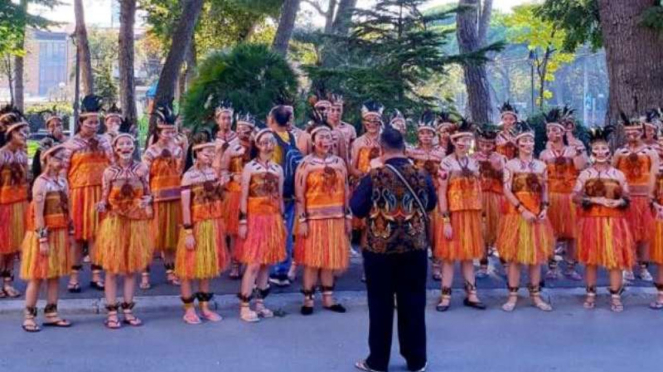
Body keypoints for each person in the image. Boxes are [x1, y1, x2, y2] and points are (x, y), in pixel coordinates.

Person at [351, 125, 435, 372]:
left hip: (380, 249)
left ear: (381, 148)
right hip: (415, 248)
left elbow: (356, 207)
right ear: (404, 147)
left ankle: (377, 361)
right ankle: (416, 360)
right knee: (414, 302)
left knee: (380, 305)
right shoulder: (422, 174)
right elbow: (431, 203)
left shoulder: (374, 175)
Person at [95, 133, 154, 329]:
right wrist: (102, 205)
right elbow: (104, 196)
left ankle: (128, 310)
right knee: (112, 269)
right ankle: (112, 312)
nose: (126, 146)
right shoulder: (109, 172)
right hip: (115, 222)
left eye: (129, 143)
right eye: (121, 144)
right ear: (115, 148)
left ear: (134, 146)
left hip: (136, 223)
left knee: (131, 269)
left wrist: (148, 200)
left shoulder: (142, 169)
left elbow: (148, 192)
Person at [574, 125, 634, 312]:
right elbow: (575, 197)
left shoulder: (618, 174)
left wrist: (618, 203)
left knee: (614, 259)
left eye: (604, 149)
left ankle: (615, 296)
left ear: (609, 151)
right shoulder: (585, 174)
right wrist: (594, 199)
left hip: (614, 222)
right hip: (591, 221)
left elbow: (627, 198)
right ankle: (591, 294)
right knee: (591, 260)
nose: (600, 152)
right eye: (596, 149)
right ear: (592, 152)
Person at [497, 121, 555, 312]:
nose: (528, 144)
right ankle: (513, 295)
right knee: (514, 257)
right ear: (517, 144)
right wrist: (522, 209)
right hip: (516, 215)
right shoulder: (510, 165)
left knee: (535, 257)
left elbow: (545, 189)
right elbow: (506, 189)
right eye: (524, 141)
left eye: (531, 140)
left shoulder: (541, 165)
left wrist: (545, 207)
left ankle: (536, 296)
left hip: (537, 215)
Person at [295, 121, 350, 316]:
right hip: (314, 218)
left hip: (335, 217)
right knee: (312, 260)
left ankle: (328, 298)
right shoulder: (306, 164)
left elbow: (345, 191)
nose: (325, 141)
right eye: (321, 137)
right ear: (313, 140)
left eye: (328, 137)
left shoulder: (339, 163)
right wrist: (302, 220)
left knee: (329, 259)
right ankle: (308, 300)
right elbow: (300, 195)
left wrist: (347, 217)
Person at [62, 95, 114, 293]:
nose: (94, 126)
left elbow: (113, 165)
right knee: (77, 237)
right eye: (90, 122)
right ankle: (74, 277)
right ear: (81, 123)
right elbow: (63, 172)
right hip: (78, 194)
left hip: (101, 193)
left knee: (97, 236)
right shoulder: (71, 145)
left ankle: (96, 275)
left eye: (97, 122)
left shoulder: (104, 142)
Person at [20, 142, 73, 331]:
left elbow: (68, 209)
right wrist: (42, 239)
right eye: (59, 158)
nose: (63, 162)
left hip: (60, 233)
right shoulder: (41, 182)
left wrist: (70, 232)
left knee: (54, 276)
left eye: (64, 158)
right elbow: (38, 214)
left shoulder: (63, 181)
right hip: (44, 235)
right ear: (48, 160)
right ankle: (29, 315)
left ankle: (51, 313)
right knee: (37, 276)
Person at [176, 132, 228, 324]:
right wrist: (189, 231)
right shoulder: (189, 176)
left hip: (213, 223)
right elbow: (184, 206)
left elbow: (220, 198)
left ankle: (205, 307)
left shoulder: (214, 173)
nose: (210, 156)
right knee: (188, 268)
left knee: (207, 267)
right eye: (206, 153)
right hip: (196, 225)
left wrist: (222, 186)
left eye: (212, 153)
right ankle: (189, 309)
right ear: (196, 153)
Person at [235, 128, 286, 322]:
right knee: (254, 262)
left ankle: (260, 303)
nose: (268, 145)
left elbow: (280, 196)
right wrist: (242, 220)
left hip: (272, 218)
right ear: (257, 144)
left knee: (266, 262)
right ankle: (245, 305)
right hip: (255, 217)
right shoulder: (250, 167)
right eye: (264, 142)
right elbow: (244, 196)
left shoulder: (277, 169)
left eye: (271, 141)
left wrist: (281, 220)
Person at [434, 119, 486, 312]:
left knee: (468, 256)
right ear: (453, 142)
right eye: (460, 140)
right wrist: (446, 220)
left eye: (467, 139)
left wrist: (481, 217)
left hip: (471, 215)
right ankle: (445, 296)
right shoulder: (446, 163)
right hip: (453, 216)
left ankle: (471, 294)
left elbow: (479, 190)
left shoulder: (474, 163)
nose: (464, 143)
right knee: (449, 257)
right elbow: (441, 193)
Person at [539, 107, 587, 281]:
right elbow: (541, 177)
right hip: (551, 196)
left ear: (561, 131)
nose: (550, 133)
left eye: (554, 129)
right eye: (548, 130)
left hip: (569, 196)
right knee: (551, 232)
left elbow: (581, 167)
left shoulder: (572, 150)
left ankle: (571, 266)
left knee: (572, 233)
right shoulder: (544, 154)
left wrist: (575, 144)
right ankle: (552, 266)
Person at [141, 101, 184, 289]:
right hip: (156, 199)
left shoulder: (177, 149)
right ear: (158, 133)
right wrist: (147, 200)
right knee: (153, 238)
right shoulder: (151, 152)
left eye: (172, 131)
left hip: (174, 198)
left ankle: (171, 272)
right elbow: (143, 177)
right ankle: (144, 274)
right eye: (166, 132)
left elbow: (181, 172)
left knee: (171, 239)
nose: (170, 135)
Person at [613, 112, 658, 282]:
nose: (632, 136)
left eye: (636, 133)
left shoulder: (650, 152)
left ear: (642, 132)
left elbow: (653, 175)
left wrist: (651, 197)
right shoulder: (620, 152)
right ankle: (627, 266)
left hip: (644, 197)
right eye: (629, 133)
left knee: (644, 235)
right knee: (626, 233)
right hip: (626, 199)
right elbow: (613, 174)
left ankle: (643, 267)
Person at [407, 112, 445, 281]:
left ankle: (437, 266)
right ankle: (416, 266)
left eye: (429, 133)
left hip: (435, 195)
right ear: (418, 135)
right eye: (422, 133)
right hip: (417, 198)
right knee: (418, 232)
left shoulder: (442, 152)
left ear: (434, 134)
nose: (426, 136)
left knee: (437, 233)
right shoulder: (411, 152)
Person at [219, 113, 255, 280]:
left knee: (252, 230)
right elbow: (223, 170)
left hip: (254, 194)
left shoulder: (257, 147)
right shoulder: (231, 148)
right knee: (234, 231)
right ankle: (235, 264)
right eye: (239, 128)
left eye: (245, 129)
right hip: (235, 192)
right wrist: (232, 177)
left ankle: (250, 262)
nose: (241, 132)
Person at [267, 105, 300, 287]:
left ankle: (275, 269)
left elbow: (273, 166)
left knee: (274, 231)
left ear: (272, 119)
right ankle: (283, 269)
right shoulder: (292, 137)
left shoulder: (271, 139)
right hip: (291, 192)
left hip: (275, 193)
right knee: (286, 232)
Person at [0, 106, 30, 298]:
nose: (25, 136)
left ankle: (8, 283)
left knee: (12, 247)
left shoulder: (22, 154)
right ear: (11, 133)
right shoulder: (1, 154)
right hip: (3, 205)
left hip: (19, 204)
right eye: (21, 133)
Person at [350, 101, 384, 254]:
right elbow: (352, 166)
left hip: (383, 185)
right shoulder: (358, 142)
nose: (372, 124)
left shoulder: (385, 141)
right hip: (365, 185)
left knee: (381, 224)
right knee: (365, 226)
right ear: (364, 122)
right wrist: (362, 175)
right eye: (368, 121)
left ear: (380, 122)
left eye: (375, 121)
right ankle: (366, 264)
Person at [472, 124, 505, 278]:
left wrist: (496, 168)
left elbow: (506, 178)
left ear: (494, 144)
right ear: (478, 144)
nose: (486, 148)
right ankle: (483, 265)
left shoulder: (500, 158)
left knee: (499, 229)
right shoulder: (473, 158)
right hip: (479, 197)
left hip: (496, 196)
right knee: (482, 232)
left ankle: (504, 263)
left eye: (489, 145)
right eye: (483, 144)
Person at [32, 109, 66, 182]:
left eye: (58, 124)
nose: (56, 127)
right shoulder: (45, 143)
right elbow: (40, 165)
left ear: (63, 126)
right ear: (48, 129)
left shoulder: (69, 141)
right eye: (52, 126)